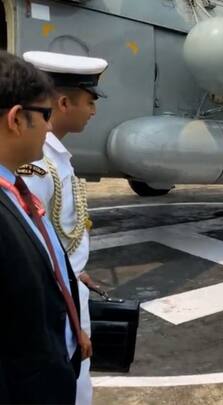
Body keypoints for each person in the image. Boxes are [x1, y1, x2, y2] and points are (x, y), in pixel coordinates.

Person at [20, 51, 107, 405]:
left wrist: (75, 272)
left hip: (69, 287)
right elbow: (32, 248)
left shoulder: (54, 157)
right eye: (90, 101)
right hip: (55, 304)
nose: (93, 111)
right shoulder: (37, 163)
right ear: (64, 102)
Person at [0, 51, 87, 404]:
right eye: (45, 115)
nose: (50, 127)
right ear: (17, 119)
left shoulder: (15, 193)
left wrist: (71, 330)